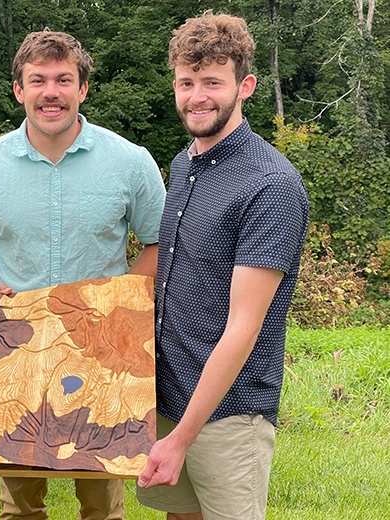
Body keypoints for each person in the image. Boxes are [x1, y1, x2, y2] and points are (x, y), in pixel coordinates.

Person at [0, 29, 166, 520]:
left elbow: (159, 244)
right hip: (18, 347)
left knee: (102, 500)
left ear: (83, 89)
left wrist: (120, 298)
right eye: (37, 80)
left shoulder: (130, 163)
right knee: (19, 502)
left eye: (64, 80)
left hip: (102, 348)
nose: (51, 92)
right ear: (19, 89)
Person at [134, 12, 310, 520]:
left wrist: (182, 438)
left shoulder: (271, 184)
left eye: (212, 81)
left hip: (228, 414)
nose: (197, 96)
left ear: (245, 85)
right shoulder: (184, 163)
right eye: (186, 83)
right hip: (169, 398)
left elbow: (243, 328)